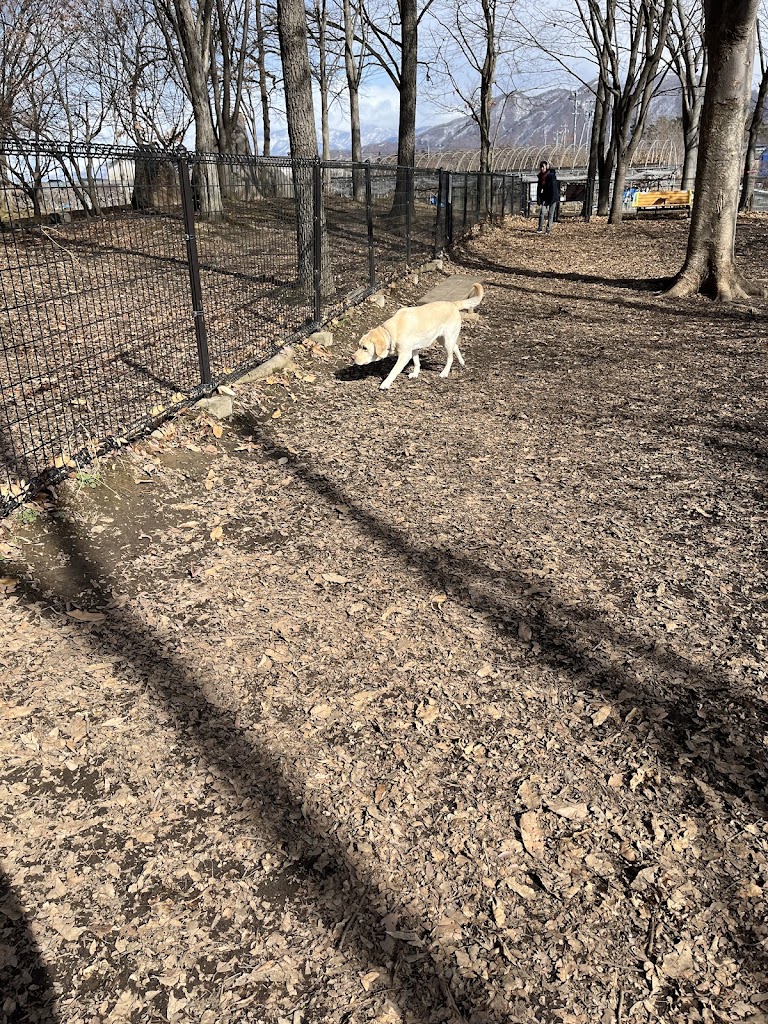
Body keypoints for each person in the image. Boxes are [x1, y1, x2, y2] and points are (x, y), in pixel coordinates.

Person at [536, 160, 559, 234]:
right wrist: (539, 199)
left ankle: (548, 229)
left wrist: (553, 198)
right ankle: (540, 228)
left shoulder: (551, 175)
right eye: (541, 167)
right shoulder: (540, 177)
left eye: (543, 167)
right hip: (545, 196)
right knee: (542, 212)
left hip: (553, 196)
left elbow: (553, 188)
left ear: (546, 167)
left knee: (551, 213)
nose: (542, 168)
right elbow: (539, 188)